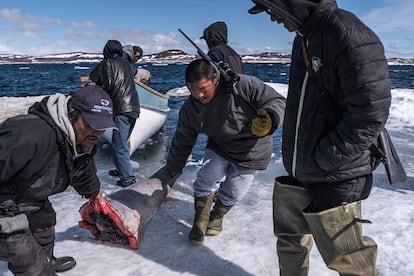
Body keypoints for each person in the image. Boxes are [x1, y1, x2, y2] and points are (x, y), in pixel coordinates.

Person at [248, 1, 392, 275]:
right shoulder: (304, 37)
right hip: (299, 169)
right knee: (290, 243)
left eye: (272, 9)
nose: (273, 19)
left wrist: (325, 157)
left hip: (336, 174)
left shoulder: (347, 34)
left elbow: (371, 112)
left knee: (349, 260)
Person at [166, 59, 286, 245]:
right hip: (220, 145)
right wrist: (173, 167)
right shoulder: (190, 109)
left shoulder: (243, 85)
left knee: (235, 191)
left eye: (203, 89)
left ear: (215, 78)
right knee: (206, 177)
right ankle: (200, 220)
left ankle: (217, 216)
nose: (198, 95)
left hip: (251, 150)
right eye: (193, 90)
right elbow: (183, 140)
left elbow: (277, 101)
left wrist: (270, 118)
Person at [0, 85, 116, 275]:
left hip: (29, 196)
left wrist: (95, 194)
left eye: (102, 127)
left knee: (45, 223)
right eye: (90, 124)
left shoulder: (81, 141)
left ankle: (46, 260)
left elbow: (82, 170)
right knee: (26, 256)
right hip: (3, 205)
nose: (97, 132)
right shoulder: (29, 134)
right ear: (72, 115)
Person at [90, 40, 140, 187]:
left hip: (121, 108)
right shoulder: (127, 64)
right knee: (121, 142)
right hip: (134, 107)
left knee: (119, 145)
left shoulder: (107, 63)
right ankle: (120, 170)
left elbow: (110, 83)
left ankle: (128, 178)